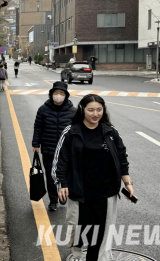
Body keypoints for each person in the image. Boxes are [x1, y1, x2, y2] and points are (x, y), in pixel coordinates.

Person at [52, 94, 134, 261]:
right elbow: (61, 160)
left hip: (106, 191)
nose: (96, 114)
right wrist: (61, 183)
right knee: (78, 227)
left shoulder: (110, 131)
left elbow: (121, 158)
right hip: (79, 190)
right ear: (82, 110)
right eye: (91, 110)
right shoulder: (71, 132)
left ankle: (99, 258)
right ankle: (77, 254)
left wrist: (128, 183)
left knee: (102, 230)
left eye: (99, 110)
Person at [32, 81, 75, 211]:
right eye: (56, 93)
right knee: (51, 177)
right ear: (51, 94)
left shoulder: (73, 111)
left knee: (65, 175)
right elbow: (38, 127)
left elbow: (77, 131)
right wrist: (35, 144)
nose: (58, 95)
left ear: (66, 95)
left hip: (66, 151)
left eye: (61, 93)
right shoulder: (43, 109)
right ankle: (53, 201)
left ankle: (63, 194)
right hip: (49, 149)